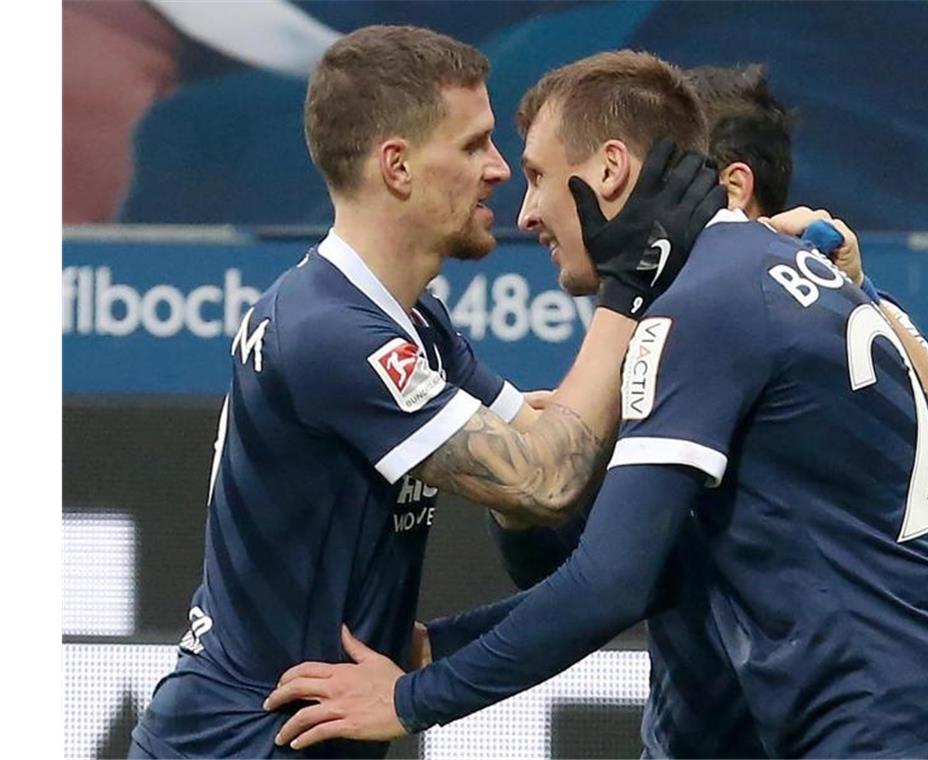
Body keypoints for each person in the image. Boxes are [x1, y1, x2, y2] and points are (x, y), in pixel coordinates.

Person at [264, 51, 928, 758]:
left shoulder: (700, 308)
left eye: (536, 175)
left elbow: (611, 581)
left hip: (894, 734)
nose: (525, 211)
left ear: (609, 171)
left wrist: (410, 700)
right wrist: (446, 647)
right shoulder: (777, 272)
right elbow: (668, 571)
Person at [129, 27, 723, 758]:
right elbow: (543, 479)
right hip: (241, 742)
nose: (500, 171)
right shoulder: (331, 333)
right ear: (398, 167)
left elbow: (538, 434)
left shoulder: (413, 322)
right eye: (474, 146)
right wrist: (633, 283)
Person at [438, 63, 928, 759]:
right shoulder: (661, 323)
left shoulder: (798, 310)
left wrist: (860, 286)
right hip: (710, 733)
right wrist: (519, 498)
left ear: (728, 186)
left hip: (848, 726)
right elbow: (586, 567)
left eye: (676, 174)